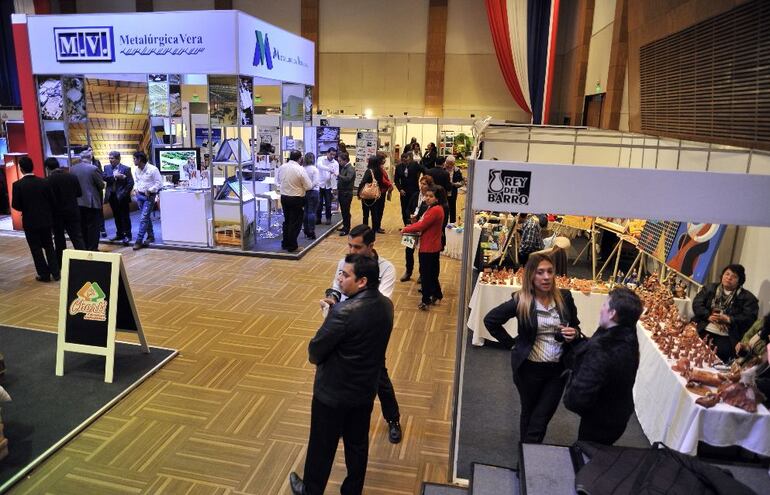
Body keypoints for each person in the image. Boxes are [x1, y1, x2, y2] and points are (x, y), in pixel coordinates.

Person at [289, 253, 394, 495]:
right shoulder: (386, 307)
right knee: (357, 446)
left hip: (331, 395)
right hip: (364, 392)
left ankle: (311, 491)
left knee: (321, 447)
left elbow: (315, 352)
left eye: (345, 275)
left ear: (362, 281)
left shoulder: (343, 312)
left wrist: (330, 317)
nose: (339, 279)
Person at [483, 252, 581, 443]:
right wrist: (512, 345)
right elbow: (491, 320)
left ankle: (529, 452)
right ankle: (528, 453)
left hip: (558, 370)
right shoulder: (521, 300)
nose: (546, 277)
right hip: (529, 369)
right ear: (531, 275)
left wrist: (574, 333)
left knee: (541, 417)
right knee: (529, 412)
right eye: (540, 272)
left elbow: (576, 325)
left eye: (550, 272)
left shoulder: (564, 298)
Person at [321, 224, 402, 443]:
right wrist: (333, 299)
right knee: (342, 376)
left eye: (357, 247)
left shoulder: (386, 268)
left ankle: (393, 419)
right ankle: (342, 422)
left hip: (370, 332)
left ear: (371, 246)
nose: (351, 251)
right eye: (349, 245)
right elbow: (336, 287)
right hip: (344, 328)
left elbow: (379, 303)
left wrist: (346, 304)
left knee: (379, 376)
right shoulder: (345, 262)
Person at [563, 287, 643, 445]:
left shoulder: (603, 349)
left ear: (612, 313)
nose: (601, 309)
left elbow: (576, 399)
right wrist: (578, 341)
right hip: (618, 415)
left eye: (605, 305)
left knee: (588, 452)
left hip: (600, 421)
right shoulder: (627, 337)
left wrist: (571, 382)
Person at [692, 264, 758, 362]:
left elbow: (749, 318)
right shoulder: (710, 288)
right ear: (722, 275)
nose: (729, 278)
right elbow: (697, 303)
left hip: (727, 336)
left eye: (734, 276)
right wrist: (708, 316)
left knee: (716, 358)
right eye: (727, 274)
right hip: (703, 327)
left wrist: (728, 319)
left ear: (740, 281)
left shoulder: (748, 298)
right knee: (691, 347)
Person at [11, 157, 60, 282]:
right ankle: (56, 273)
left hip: (30, 221)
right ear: (32, 166)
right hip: (45, 220)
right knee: (49, 246)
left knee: (36, 249)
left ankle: (44, 274)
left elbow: (16, 205)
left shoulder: (17, 185)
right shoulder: (44, 182)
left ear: (21, 169)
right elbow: (53, 201)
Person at [402, 185, 445, 310]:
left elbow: (422, 225)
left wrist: (406, 229)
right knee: (431, 273)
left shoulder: (435, 210)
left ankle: (425, 300)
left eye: (431, 196)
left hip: (429, 246)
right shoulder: (434, 208)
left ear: (437, 198)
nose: (427, 198)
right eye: (426, 195)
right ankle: (437, 294)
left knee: (426, 274)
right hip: (432, 245)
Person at [45, 157, 85, 264]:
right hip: (73, 212)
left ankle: (61, 264)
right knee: (77, 238)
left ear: (47, 168)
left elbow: (48, 200)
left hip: (57, 215)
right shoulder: (72, 177)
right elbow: (79, 193)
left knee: (59, 240)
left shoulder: (48, 181)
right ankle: (85, 262)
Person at [277, 150, 312, 253]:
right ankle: (292, 246)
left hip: (284, 197)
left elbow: (278, 181)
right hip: (296, 199)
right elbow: (308, 186)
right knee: (295, 223)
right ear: (300, 158)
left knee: (287, 221)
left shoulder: (282, 167)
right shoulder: (300, 169)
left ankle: (285, 243)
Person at [400, 174, 434, 282]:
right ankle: (408, 271)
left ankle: (422, 274)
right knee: (408, 250)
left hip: (423, 227)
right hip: (412, 226)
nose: (421, 186)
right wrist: (409, 217)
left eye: (424, 184)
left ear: (429, 186)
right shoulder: (415, 195)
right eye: (421, 183)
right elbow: (408, 208)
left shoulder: (430, 198)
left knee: (421, 253)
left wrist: (418, 218)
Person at [69, 150, 105, 251]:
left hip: (77, 202)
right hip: (91, 202)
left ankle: (84, 248)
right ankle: (92, 248)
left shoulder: (72, 169)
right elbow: (101, 185)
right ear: (90, 157)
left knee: (82, 227)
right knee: (93, 228)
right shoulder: (93, 169)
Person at [734, 312, 770, 406]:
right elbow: (747, 338)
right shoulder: (763, 324)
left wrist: (753, 381)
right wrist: (744, 348)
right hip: (745, 368)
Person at [131, 151, 163, 251]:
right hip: (139, 196)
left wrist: (150, 190)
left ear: (140, 159)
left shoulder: (153, 169)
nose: (133, 161)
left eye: (134, 159)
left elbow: (159, 183)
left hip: (149, 196)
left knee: (143, 218)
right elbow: (136, 181)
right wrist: (135, 189)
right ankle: (151, 236)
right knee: (146, 217)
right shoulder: (137, 170)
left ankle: (139, 240)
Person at [103, 151, 134, 245]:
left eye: (112, 158)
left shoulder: (126, 168)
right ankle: (119, 234)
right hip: (111, 196)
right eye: (109, 158)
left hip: (122, 196)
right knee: (116, 216)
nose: (110, 160)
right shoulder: (106, 167)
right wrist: (115, 176)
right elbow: (104, 177)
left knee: (125, 216)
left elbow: (130, 183)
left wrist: (124, 193)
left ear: (118, 159)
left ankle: (128, 235)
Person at [358, 155, 392, 234]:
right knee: (375, 213)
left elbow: (363, 182)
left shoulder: (369, 171)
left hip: (367, 195)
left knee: (366, 213)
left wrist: (359, 192)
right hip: (376, 194)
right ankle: (375, 229)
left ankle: (365, 228)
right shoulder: (379, 171)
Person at [393, 151, 422, 226]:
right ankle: (406, 224)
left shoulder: (415, 165)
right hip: (404, 191)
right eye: (403, 159)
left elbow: (423, 170)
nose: (405, 160)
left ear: (409, 158)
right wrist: (400, 189)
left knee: (414, 207)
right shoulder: (398, 167)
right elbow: (396, 180)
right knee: (404, 208)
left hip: (414, 190)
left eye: (406, 159)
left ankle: (414, 224)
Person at [315, 148, 338, 226]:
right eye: (331, 154)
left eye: (334, 155)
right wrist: (329, 169)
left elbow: (335, 175)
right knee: (319, 203)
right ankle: (318, 219)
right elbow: (319, 166)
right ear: (327, 153)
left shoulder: (335, 163)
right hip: (319, 185)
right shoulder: (320, 159)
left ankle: (328, 219)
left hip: (328, 186)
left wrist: (334, 187)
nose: (332, 156)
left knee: (328, 204)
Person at [336, 151, 355, 236]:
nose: (339, 162)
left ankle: (347, 229)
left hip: (346, 193)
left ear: (345, 160)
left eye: (340, 161)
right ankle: (345, 226)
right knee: (343, 211)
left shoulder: (350, 169)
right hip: (342, 192)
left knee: (346, 211)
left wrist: (338, 175)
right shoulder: (344, 168)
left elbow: (348, 179)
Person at [302, 152, 320, 240]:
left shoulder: (302, 169)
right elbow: (316, 181)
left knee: (305, 211)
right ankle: (311, 232)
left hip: (304, 192)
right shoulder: (314, 169)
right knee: (312, 212)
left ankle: (306, 231)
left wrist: (306, 188)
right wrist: (310, 187)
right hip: (313, 192)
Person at [445, 155, 464, 223]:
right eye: (448, 164)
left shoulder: (457, 170)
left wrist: (457, 184)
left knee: (452, 207)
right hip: (444, 192)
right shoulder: (443, 169)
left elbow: (462, 182)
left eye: (451, 164)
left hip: (453, 191)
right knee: (444, 208)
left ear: (454, 164)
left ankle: (452, 222)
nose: (449, 166)